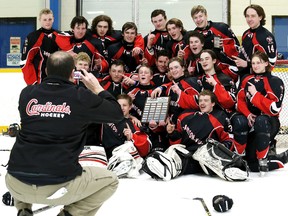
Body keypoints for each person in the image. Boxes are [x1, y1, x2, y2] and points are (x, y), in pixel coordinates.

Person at [5, 51, 123, 216]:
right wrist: (97, 88)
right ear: (71, 73)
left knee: (28, 157)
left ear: (46, 71)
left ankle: (24, 210)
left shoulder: (27, 94)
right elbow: (116, 114)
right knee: (110, 181)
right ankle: (68, 214)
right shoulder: (81, 97)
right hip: (59, 184)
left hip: (16, 183)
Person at [142, 90, 248, 181]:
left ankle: (231, 168)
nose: (202, 103)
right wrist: (172, 133)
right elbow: (178, 141)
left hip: (207, 156)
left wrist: (215, 149)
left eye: (206, 100)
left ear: (213, 103)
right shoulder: (186, 116)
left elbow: (229, 140)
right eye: (200, 100)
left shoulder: (221, 118)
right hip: (189, 153)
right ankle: (167, 168)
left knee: (204, 155)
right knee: (176, 151)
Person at [231, 51, 286, 176]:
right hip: (251, 121)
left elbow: (274, 108)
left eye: (259, 63)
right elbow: (239, 101)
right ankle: (239, 158)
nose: (255, 66)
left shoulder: (275, 81)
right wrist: (247, 114)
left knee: (261, 120)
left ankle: (264, 160)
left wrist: (255, 95)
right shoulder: (246, 79)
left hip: (268, 122)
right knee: (250, 164)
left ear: (266, 63)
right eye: (253, 63)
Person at [190, 5, 239, 79]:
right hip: (207, 74)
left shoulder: (222, 27)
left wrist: (224, 47)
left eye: (200, 16)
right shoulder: (194, 35)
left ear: (206, 15)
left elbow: (237, 48)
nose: (198, 20)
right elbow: (193, 57)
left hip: (227, 71)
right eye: (195, 18)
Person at [151, 57, 201, 124]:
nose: (173, 70)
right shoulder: (170, 86)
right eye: (171, 68)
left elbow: (198, 104)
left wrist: (180, 93)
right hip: (172, 126)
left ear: (183, 68)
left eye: (176, 67)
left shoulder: (191, 82)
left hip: (188, 124)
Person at [233, 4, 277, 77]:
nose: (249, 19)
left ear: (260, 17)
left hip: (259, 79)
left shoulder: (266, 37)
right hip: (244, 77)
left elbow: (271, 62)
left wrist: (248, 64)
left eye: (253, 16)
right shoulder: (246, 33)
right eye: (247, 16)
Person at [20, 8, 60, 85]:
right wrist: (33, 83)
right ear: (40, 20)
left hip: (57, 81)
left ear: (53, 19)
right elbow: (25, 62)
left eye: (49, 19)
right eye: (44, 20)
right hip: (39, 83)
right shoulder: (32, 37)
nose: (47, 22)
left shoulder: (60, 36)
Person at [198, 49, 236, 115]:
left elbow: (230, 103)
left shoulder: (225, 79)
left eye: (207, 59)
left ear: (214, 60)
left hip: (223, 115)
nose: (204, 61)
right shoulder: (198, 81)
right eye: (202, 60)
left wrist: (215, 85)